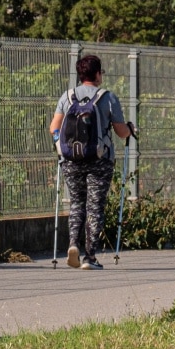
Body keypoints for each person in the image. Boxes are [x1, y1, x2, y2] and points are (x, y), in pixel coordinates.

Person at [49, 55, 133, 270]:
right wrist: (131, 129)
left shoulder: (67, 97)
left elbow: (54, 128)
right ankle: (89, 257)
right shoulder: (107, 97)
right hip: (100, 160)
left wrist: (61, 146)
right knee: (95, 207)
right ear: (96, 74)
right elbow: (121, 132)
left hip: (71, 159)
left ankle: (73, 244)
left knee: (77, 203)